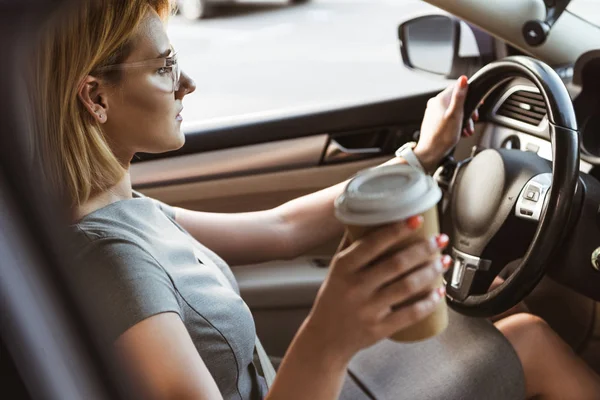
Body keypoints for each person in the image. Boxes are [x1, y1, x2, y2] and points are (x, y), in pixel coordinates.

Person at [26, 1, 600, 399]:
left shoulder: (130, 212)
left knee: (506, 319)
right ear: (95, 96)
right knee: (532, 342)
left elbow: (283, 228)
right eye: (165, 67)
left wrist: (419, 157)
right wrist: (332, 329)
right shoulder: (110, 261)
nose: (187, 83)